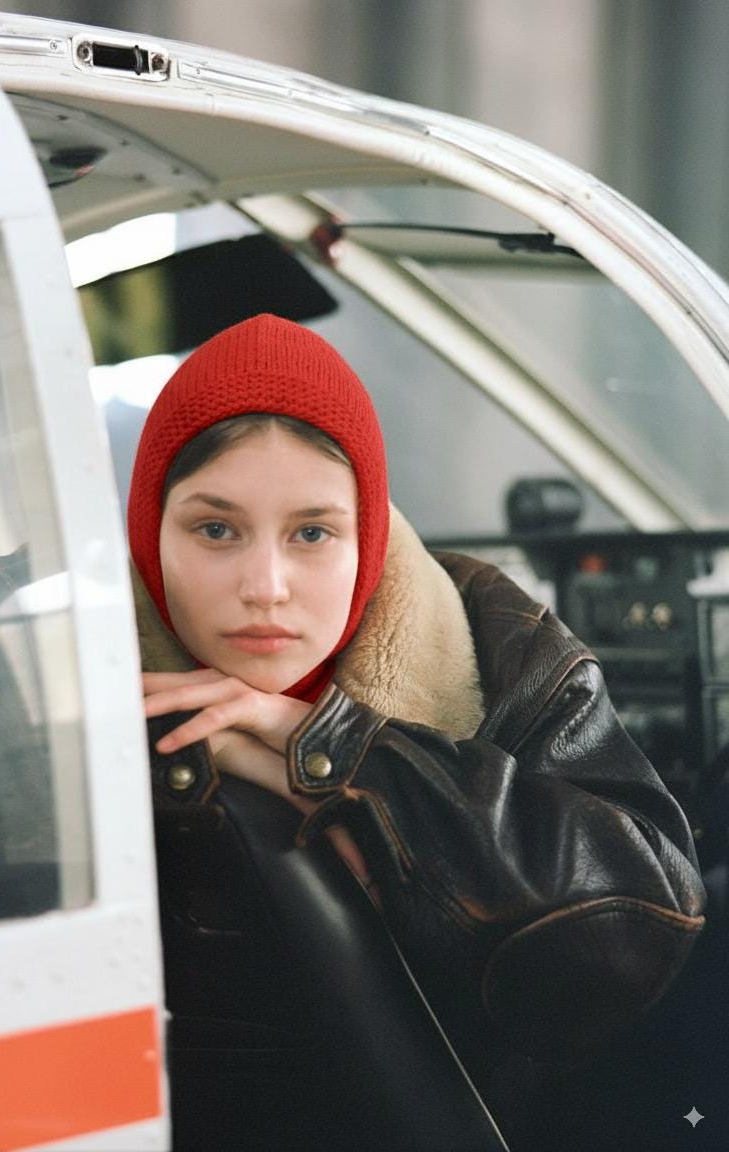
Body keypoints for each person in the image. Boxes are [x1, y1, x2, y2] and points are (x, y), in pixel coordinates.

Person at [128, 312, 705, 1146]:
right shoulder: (40, 667)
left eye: (313, 532)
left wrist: (339, 752)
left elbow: (634, 933)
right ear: (151, 527)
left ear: (367, 534)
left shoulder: (505, 650)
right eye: (215, 529)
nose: (265, 585)